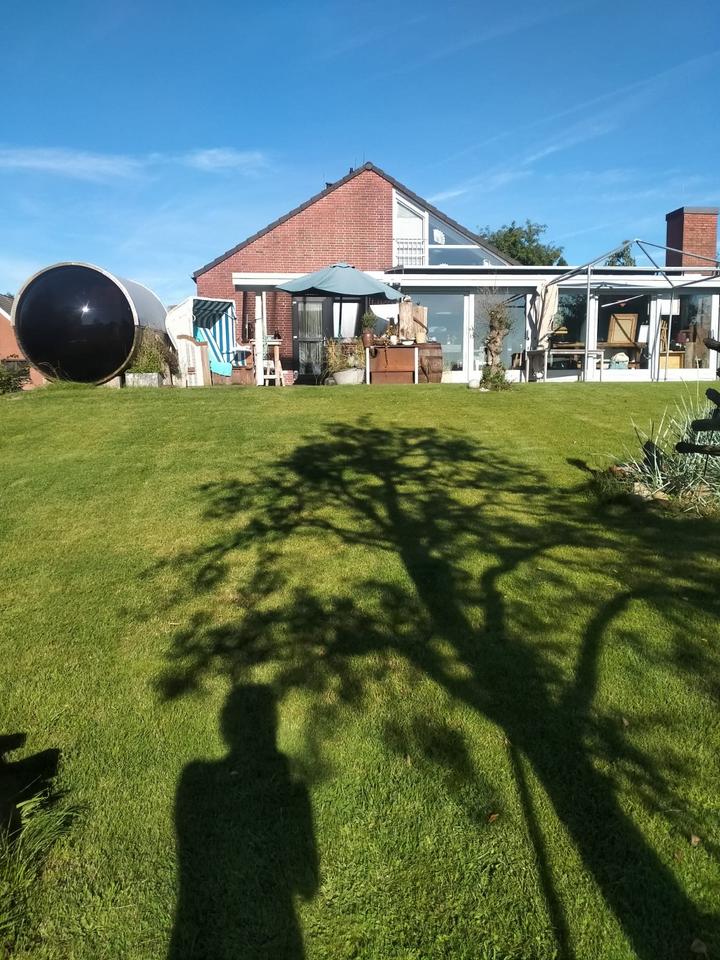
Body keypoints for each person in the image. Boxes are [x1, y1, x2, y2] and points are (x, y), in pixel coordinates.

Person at [169, 685, 318, 960]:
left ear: (226, 726)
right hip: (276, 927)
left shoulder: (194, 778)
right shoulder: (287, 783)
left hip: (202, 922)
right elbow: (307, 884)